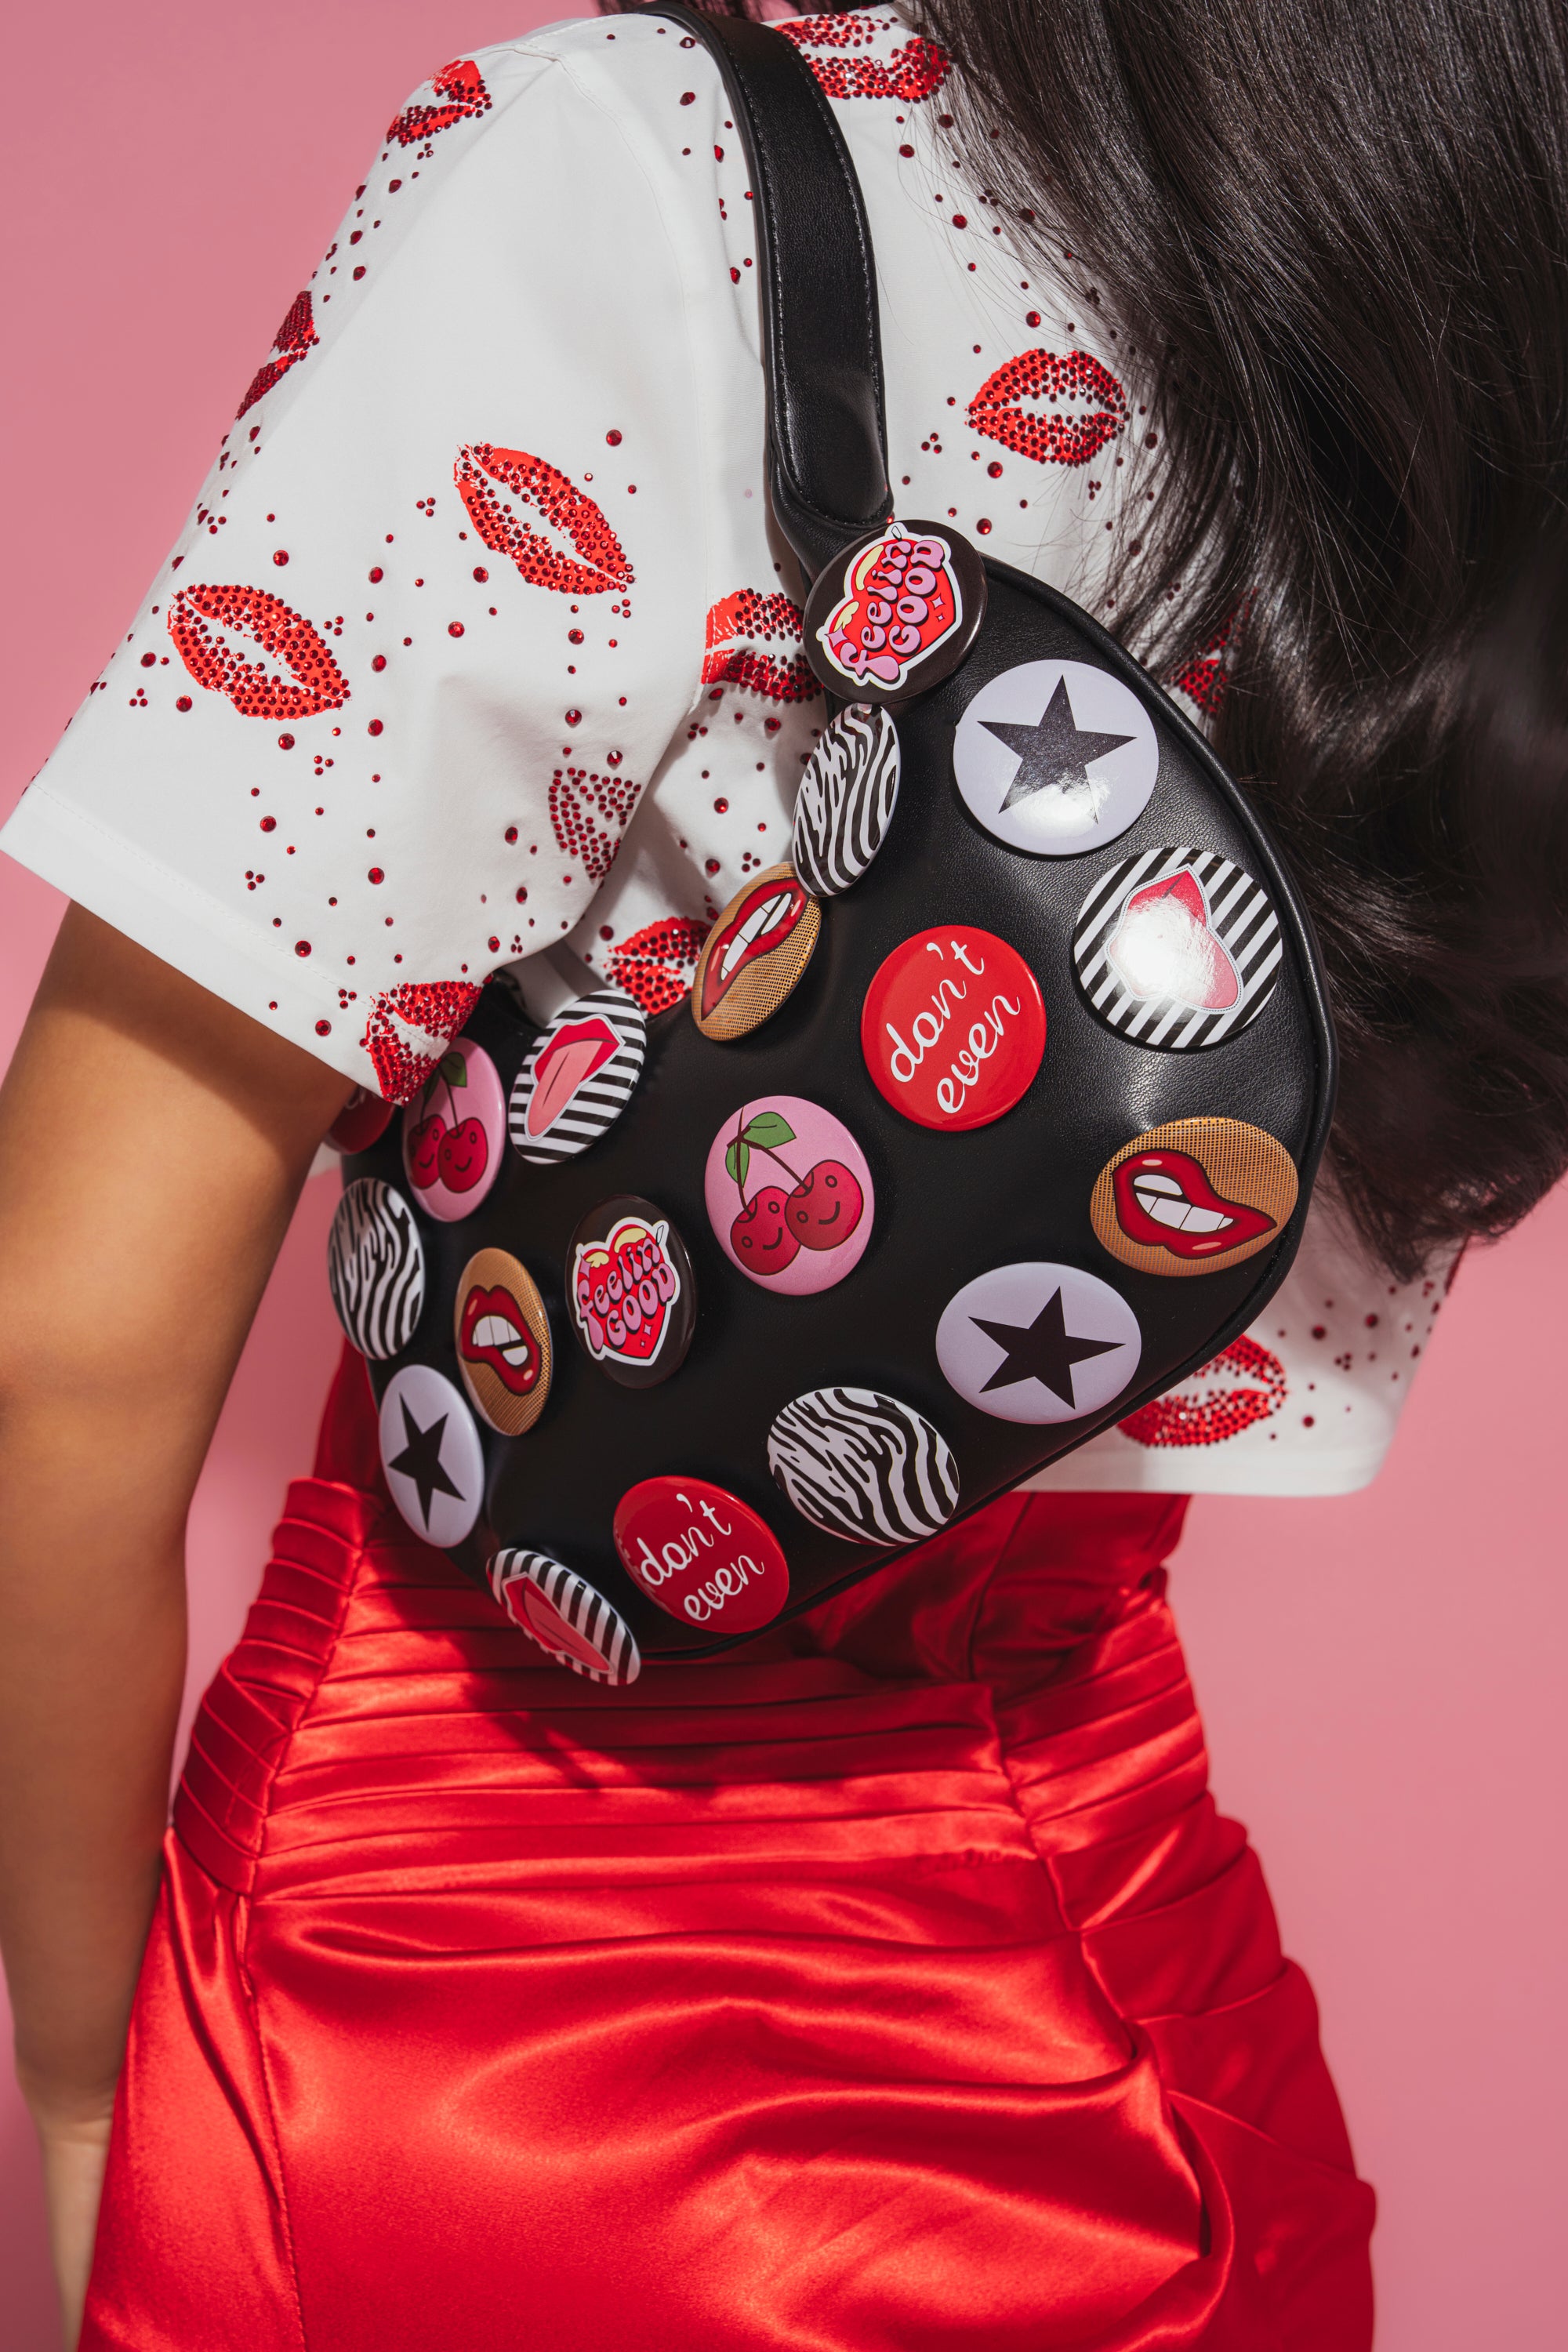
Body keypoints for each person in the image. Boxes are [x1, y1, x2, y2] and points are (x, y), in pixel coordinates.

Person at [2, 4, 1563, 2345]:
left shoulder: (652, 167)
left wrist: (90, 2086)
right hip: (1156, 2057)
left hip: (459, 2002)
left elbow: (61, 1339)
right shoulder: (1492, 298)